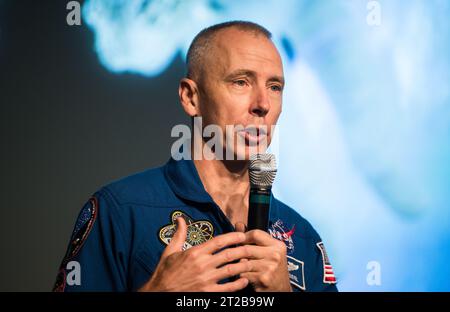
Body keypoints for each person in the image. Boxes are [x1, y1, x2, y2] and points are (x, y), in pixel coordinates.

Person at [53, 21, 338, 292]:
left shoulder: (301, 235)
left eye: (275, 87)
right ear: (191, 97)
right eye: (241, 82)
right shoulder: (122, 210)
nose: (263, 104)